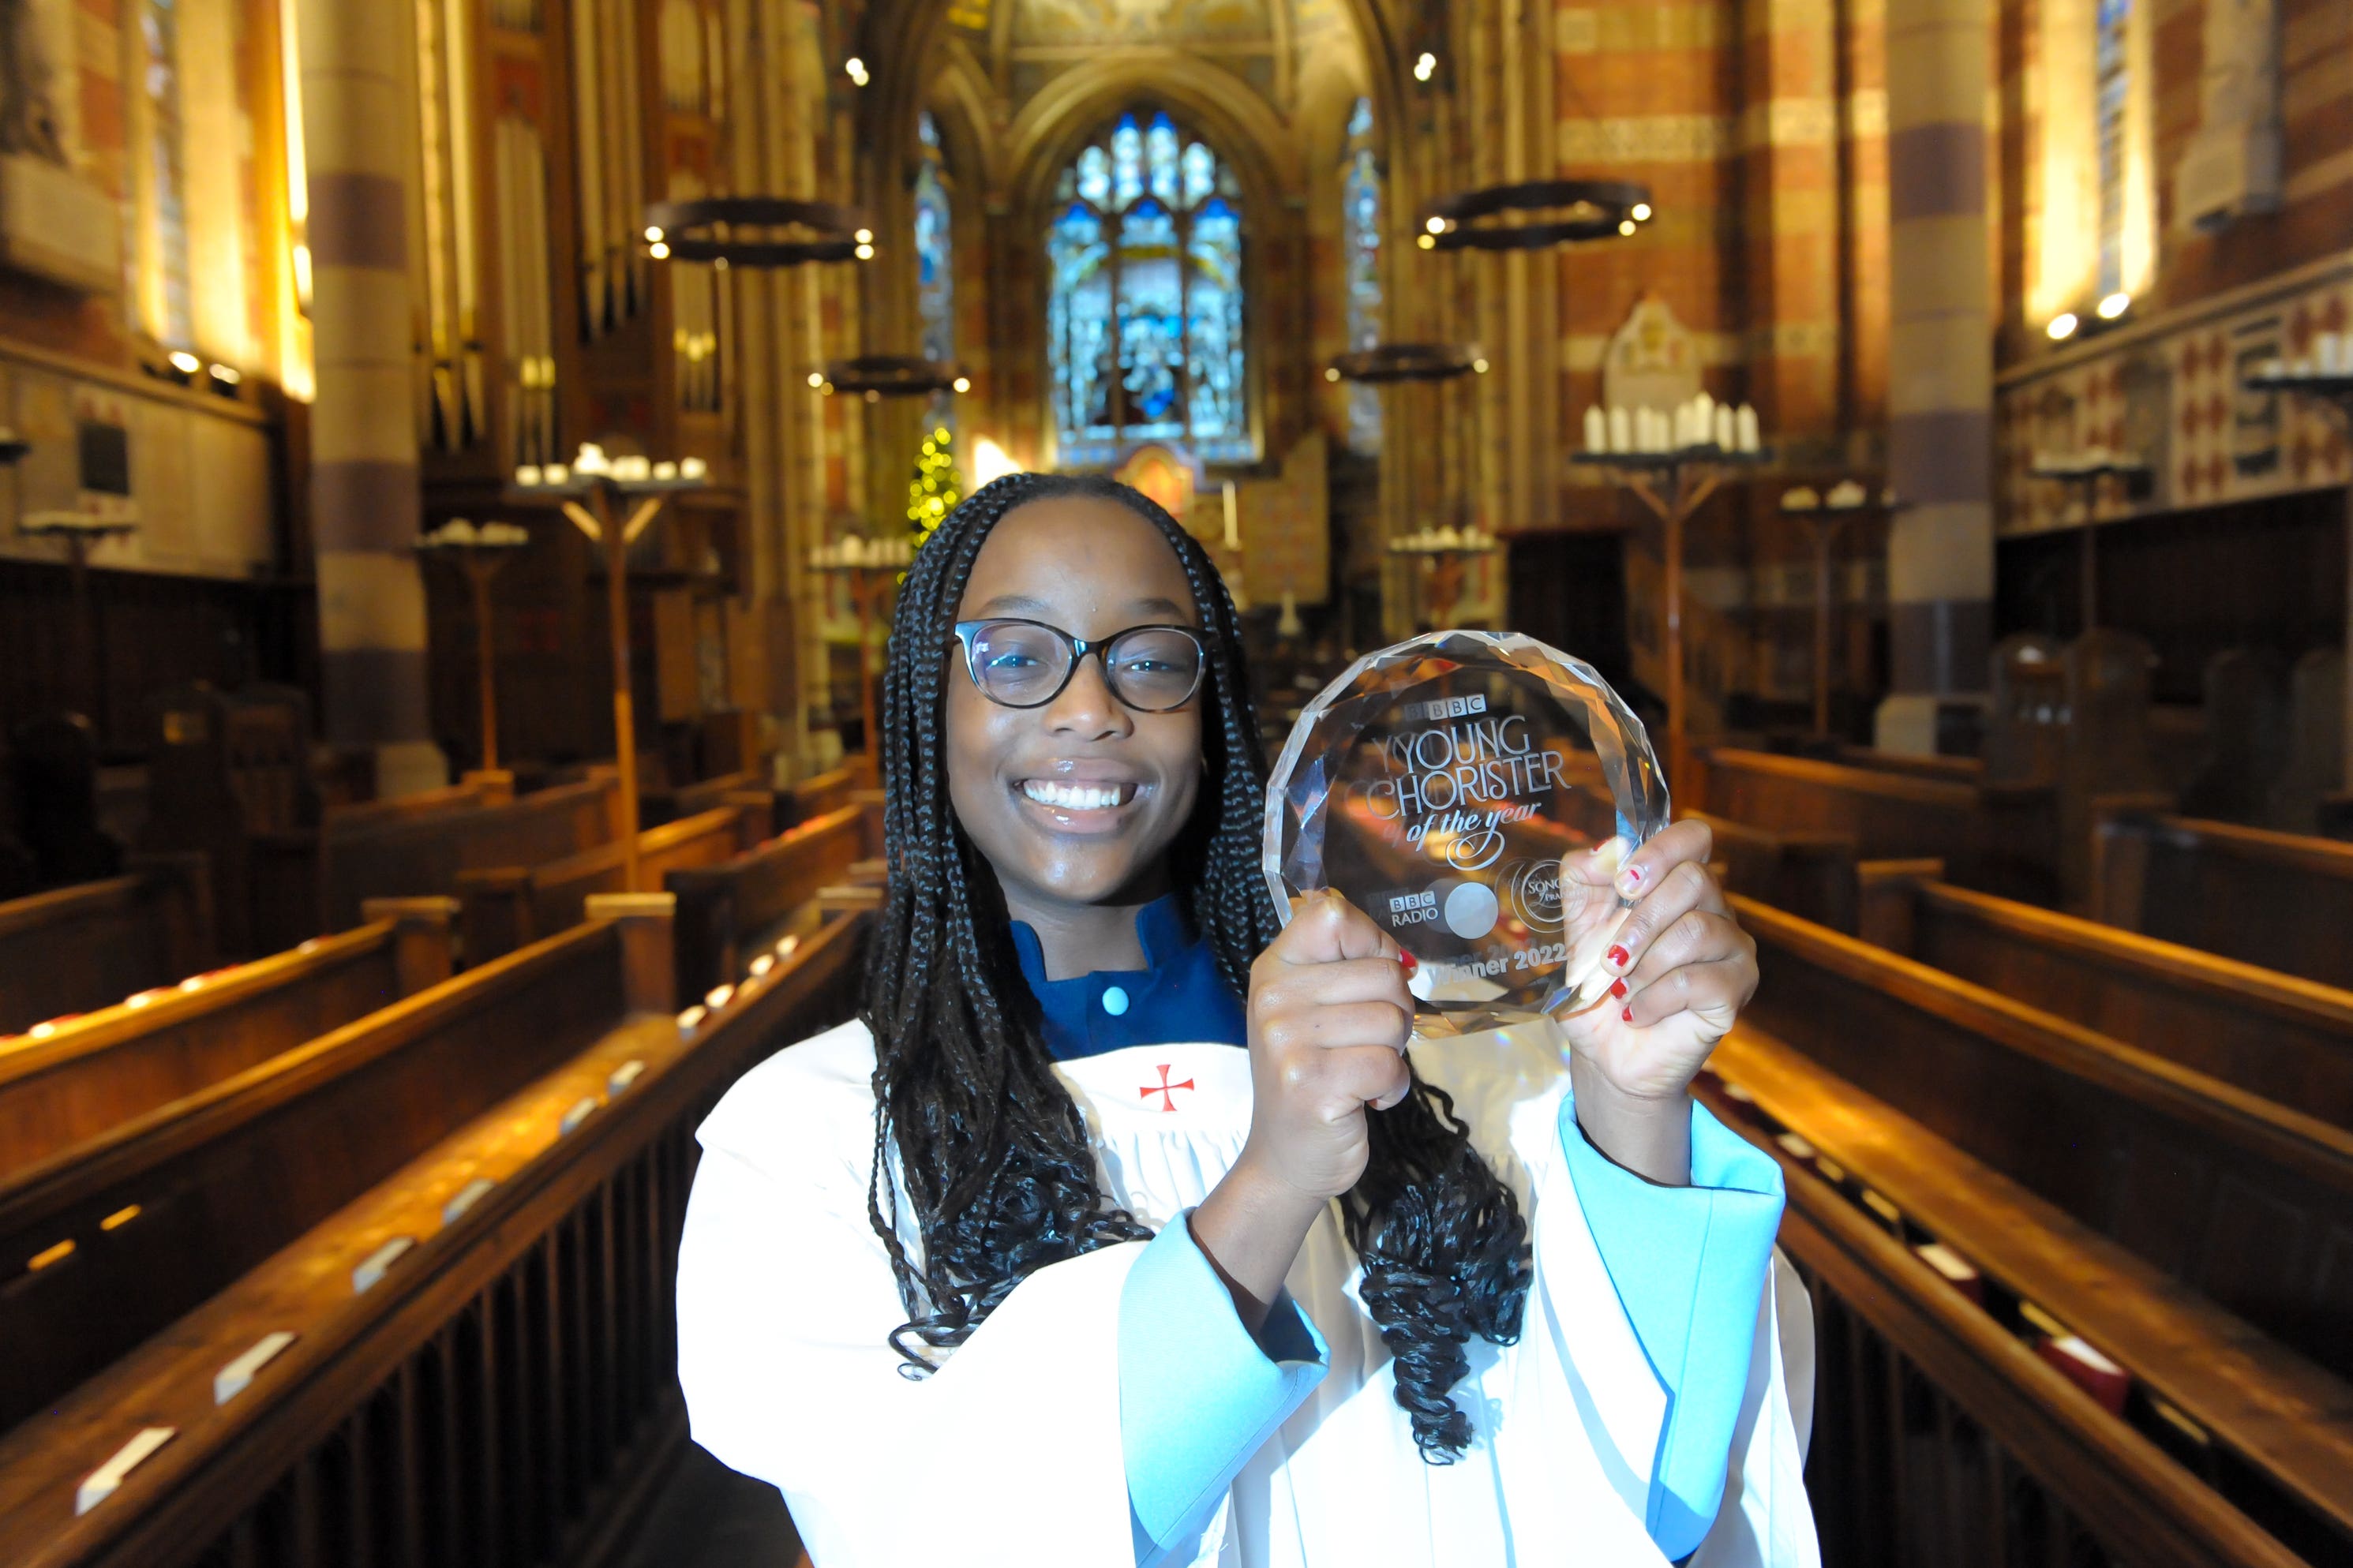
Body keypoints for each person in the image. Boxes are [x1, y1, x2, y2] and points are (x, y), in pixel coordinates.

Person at [676, 473, 1817, 1567]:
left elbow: (1652, 1497)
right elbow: (937, 1530)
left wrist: (1629, 1102)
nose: (1088, 709)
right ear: (929, 708)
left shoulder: (1452, 1064)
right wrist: (1273, 1179)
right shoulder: (811, 1143)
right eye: (1016, 658)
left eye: (1150, 661)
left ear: (1213, 712)